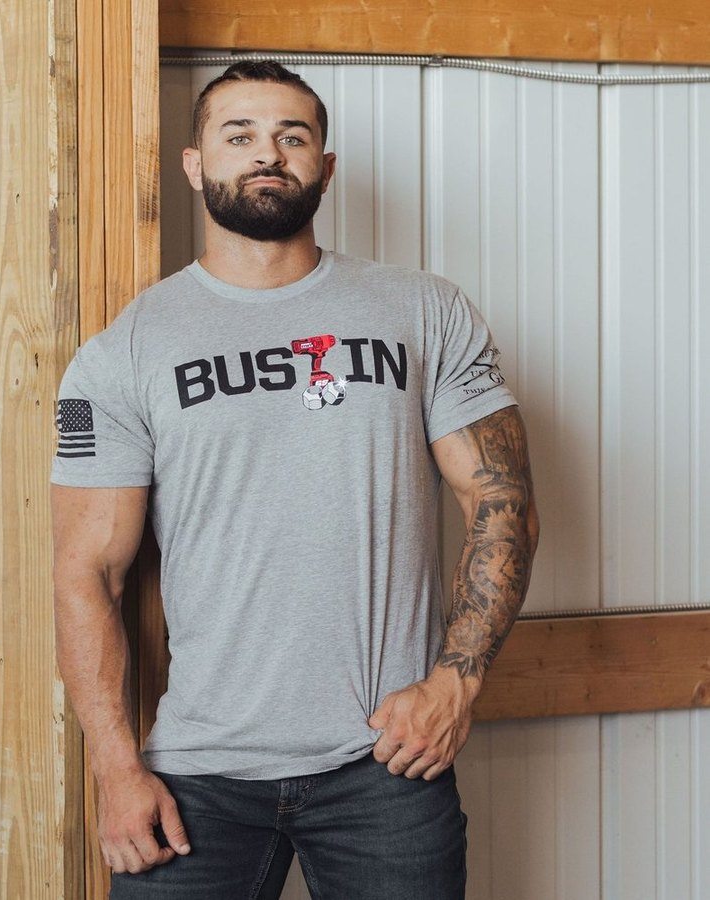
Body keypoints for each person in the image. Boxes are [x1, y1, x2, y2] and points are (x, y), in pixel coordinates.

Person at [50, 60, 539, 899]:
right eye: (239, 135)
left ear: (325, 166)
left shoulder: (423, 311)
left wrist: (456, 684)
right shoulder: (124, 351)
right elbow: (86, 572)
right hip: (195, 775)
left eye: (292, 136)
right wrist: (115, 767)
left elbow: (501, 501)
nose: (267, 154)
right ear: (195, 164)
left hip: (385, 763)